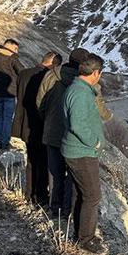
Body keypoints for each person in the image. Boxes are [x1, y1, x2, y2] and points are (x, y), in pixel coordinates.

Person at [37, 48, 111, 217]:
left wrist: (47, 119)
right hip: (77, 141)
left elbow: (40, 101)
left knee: (54, 172)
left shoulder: (51, 75)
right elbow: (99, 110)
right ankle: (68, 211)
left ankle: (54, 208)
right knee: (74, 177)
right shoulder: (89, 85)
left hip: (53, 130)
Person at [61, 53, 107, 253]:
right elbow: (77, 125)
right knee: (93, 195)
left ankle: (79, 233)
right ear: (95, 72)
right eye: (100, 73)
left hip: (78, 150)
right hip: (82, 152)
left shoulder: (79, 89)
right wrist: (95, 142)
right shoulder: (80, 93)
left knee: (81, 193)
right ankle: (86, 239)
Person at [12, 51, 61, 206]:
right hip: (41, 125)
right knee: (44, 161)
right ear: (55, 64)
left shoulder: (24, 73)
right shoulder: (49, 78)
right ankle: (40, 195)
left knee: (31, 160)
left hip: (24, 122)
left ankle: (29, 193)